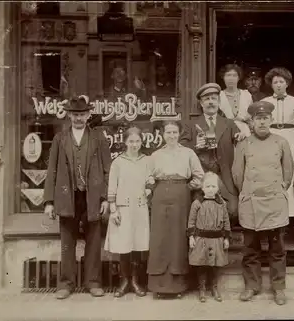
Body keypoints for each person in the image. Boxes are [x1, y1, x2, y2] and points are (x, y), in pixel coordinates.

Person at [43, 96, 112, 300]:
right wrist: (49, 202)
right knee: (67, 241)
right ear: (69, 115)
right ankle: (66, 283)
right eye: (75, 115)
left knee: (93, 240)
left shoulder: (99, 138)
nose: (79, 118)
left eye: (82, 115)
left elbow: (108, 170)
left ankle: (93, 282)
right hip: (67, 197)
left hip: (93, 197)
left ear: (88, 115)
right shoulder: (59, 138)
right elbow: (52, 170)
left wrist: (106, 198)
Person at [232, 101, 294, 306]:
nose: (262, 122)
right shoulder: (243, 144)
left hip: (275, 201)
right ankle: (251, 286)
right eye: (258, 119)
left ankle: (279, 288)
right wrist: (248, 191)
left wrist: (280, 188)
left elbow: (288, 170)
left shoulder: (281, 142)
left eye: (265, 118)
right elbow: (237, 174)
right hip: (251, 202)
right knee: (250, 249)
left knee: (277, 249)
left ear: (271, 120)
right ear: (251, 122)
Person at [146, 121, 205, 299]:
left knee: (178, 237)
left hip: (181, 194)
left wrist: (187, 188)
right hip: (160, 194)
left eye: (174, 132)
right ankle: (159, 285)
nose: (171, 135)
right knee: (159, 237)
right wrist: (150, 184)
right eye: (168, 132)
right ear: (163, 134)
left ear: (179, 134)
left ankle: (178, 286)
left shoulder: (188, 153)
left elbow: (199, 176)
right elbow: (148, 175)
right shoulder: (155, 155)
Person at [180, 82, 246, 222]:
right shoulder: (191, 124)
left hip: (224, 176)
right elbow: (181, 150)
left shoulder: (229, 123)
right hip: (202, 175)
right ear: (201, 103)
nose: (211, 102)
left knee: (233, 210)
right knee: (199, 211)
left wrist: (240, 137)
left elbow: (240, 141)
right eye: (207, 99)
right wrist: (196, 147)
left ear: (219, 102)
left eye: (214, 99)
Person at [104, 127, 152, 298]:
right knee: (124, 245)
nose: (134, 144)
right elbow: (112, 187)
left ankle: (135, 280)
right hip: (123, 208)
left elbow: (150, 178)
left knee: (138, 245)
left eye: (137, 141)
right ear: (125, 142)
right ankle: (124, 282)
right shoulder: (118, 162)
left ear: (141, 142)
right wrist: (113, 210)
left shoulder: (146, 160)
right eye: (131, 141)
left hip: (139, 207)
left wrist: (149, 187)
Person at [261, 67, 294, 218]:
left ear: (287, 84)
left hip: (290, 137)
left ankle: (291, 213)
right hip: (271, 136)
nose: (278, 85)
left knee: (289, 172)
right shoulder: (264, 102)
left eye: (281, 81)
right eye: (275, 82)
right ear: (271, 85)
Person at [187, 172, 231, 303]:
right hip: (201, 239)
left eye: (213, 186)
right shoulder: (197, 203)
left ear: (218, 188)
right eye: (207, 186)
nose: (210, 189)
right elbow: (191, 221)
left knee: (215, 265)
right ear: (202, 187)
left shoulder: (221, 204)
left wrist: (226, 238)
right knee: (202, 264)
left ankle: (214, 287)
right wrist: (191, 237)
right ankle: (202, 288)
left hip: (217, 240)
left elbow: (226, 221)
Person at [218, 64, 253, 137]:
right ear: (223, 77)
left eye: (234, 75)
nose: (231, 78)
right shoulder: (219, 96)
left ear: (238, 78)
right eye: (228, 75)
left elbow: (251, 118)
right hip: (225, 133)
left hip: (245, 132)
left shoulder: (246, 95)